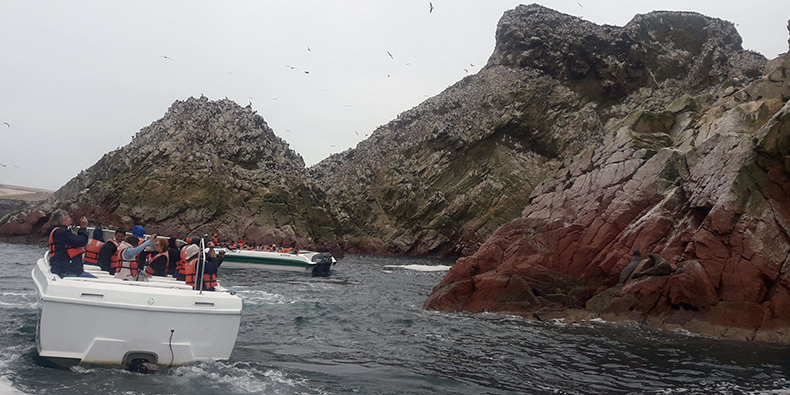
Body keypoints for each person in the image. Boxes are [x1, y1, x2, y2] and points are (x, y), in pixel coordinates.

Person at [46, 209, 96, 278]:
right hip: (66, 270)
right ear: (61, 222)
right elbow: (81, 242)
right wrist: (83, 228)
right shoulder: (62, 232)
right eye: (67, 218)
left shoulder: (59, 231)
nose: (70, 219)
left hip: (70, 269)